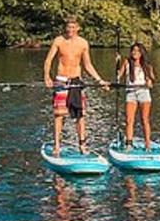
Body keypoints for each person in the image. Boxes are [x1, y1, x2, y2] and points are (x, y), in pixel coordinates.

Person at [42, 17, 110, 155]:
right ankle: (57, 146)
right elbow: (48, 60)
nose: (70, 30)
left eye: (73, 27)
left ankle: (82, 146)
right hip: (61, 80)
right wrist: (46, 77)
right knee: (59, 115)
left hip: (76, 81)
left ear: (78, 28)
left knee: (80, 115)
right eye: (68, 27)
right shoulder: (58, 41)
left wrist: (99, 80)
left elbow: (87, 65)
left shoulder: (83, 43)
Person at [116, 42, 155, 147]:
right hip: (131, 92)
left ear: (141, 52)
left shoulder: (146, 65)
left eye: (137, 51)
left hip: (144, 92)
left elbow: (152, 80)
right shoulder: (127, 62)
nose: (135, 53)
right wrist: (117, 64)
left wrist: (150, 82)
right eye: (133, 51)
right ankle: (129, 143)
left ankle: (148, 144)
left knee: (144, 119)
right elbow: (119, 75)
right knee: (129, 120)